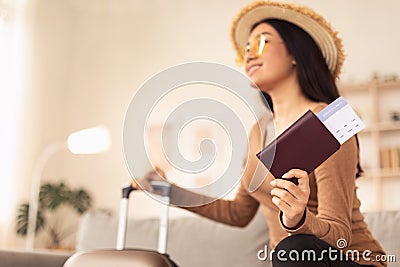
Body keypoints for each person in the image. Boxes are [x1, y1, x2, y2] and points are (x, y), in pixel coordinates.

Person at [132, 1, 387, 266]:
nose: (250, 55)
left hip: (351, 260)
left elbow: (340, 235)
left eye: (262, 43)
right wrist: (168, 191)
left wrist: (298, 220)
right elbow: (238, 213)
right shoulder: (258, 130)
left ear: (295, 54)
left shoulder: (329, 123)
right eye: (247, 49)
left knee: (293, 248)